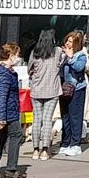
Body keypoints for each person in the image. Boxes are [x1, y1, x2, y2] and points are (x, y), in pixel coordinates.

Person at [0, 43, 26, 178]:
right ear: (10, 56)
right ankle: (11, 169)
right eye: (17, 55)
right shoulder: (4, 73)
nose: (18, 58)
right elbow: (1, 96)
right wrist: (1, 118)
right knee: (16, 135)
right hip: (8, 111)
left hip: (1, 110)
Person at [27, 30, 63, 160]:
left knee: (37, 119)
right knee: (47, 120)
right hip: (52, 89)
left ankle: (35, 150)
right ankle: (45, 150)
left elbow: (29, 69)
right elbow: (62, 63)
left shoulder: (35, 52)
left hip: (36, 89)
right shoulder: (57, 51)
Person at [57, 31, 89, 157]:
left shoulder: (81, 55)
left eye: (70, 41)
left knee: (75, 116)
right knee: (65, 116)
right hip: (64, 87)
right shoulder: (64, 55)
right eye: (67, 41)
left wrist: (70, 58)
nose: (67, 43)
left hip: (77, 89)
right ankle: (65, 142)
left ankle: (75, 144)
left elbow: (79, 68)